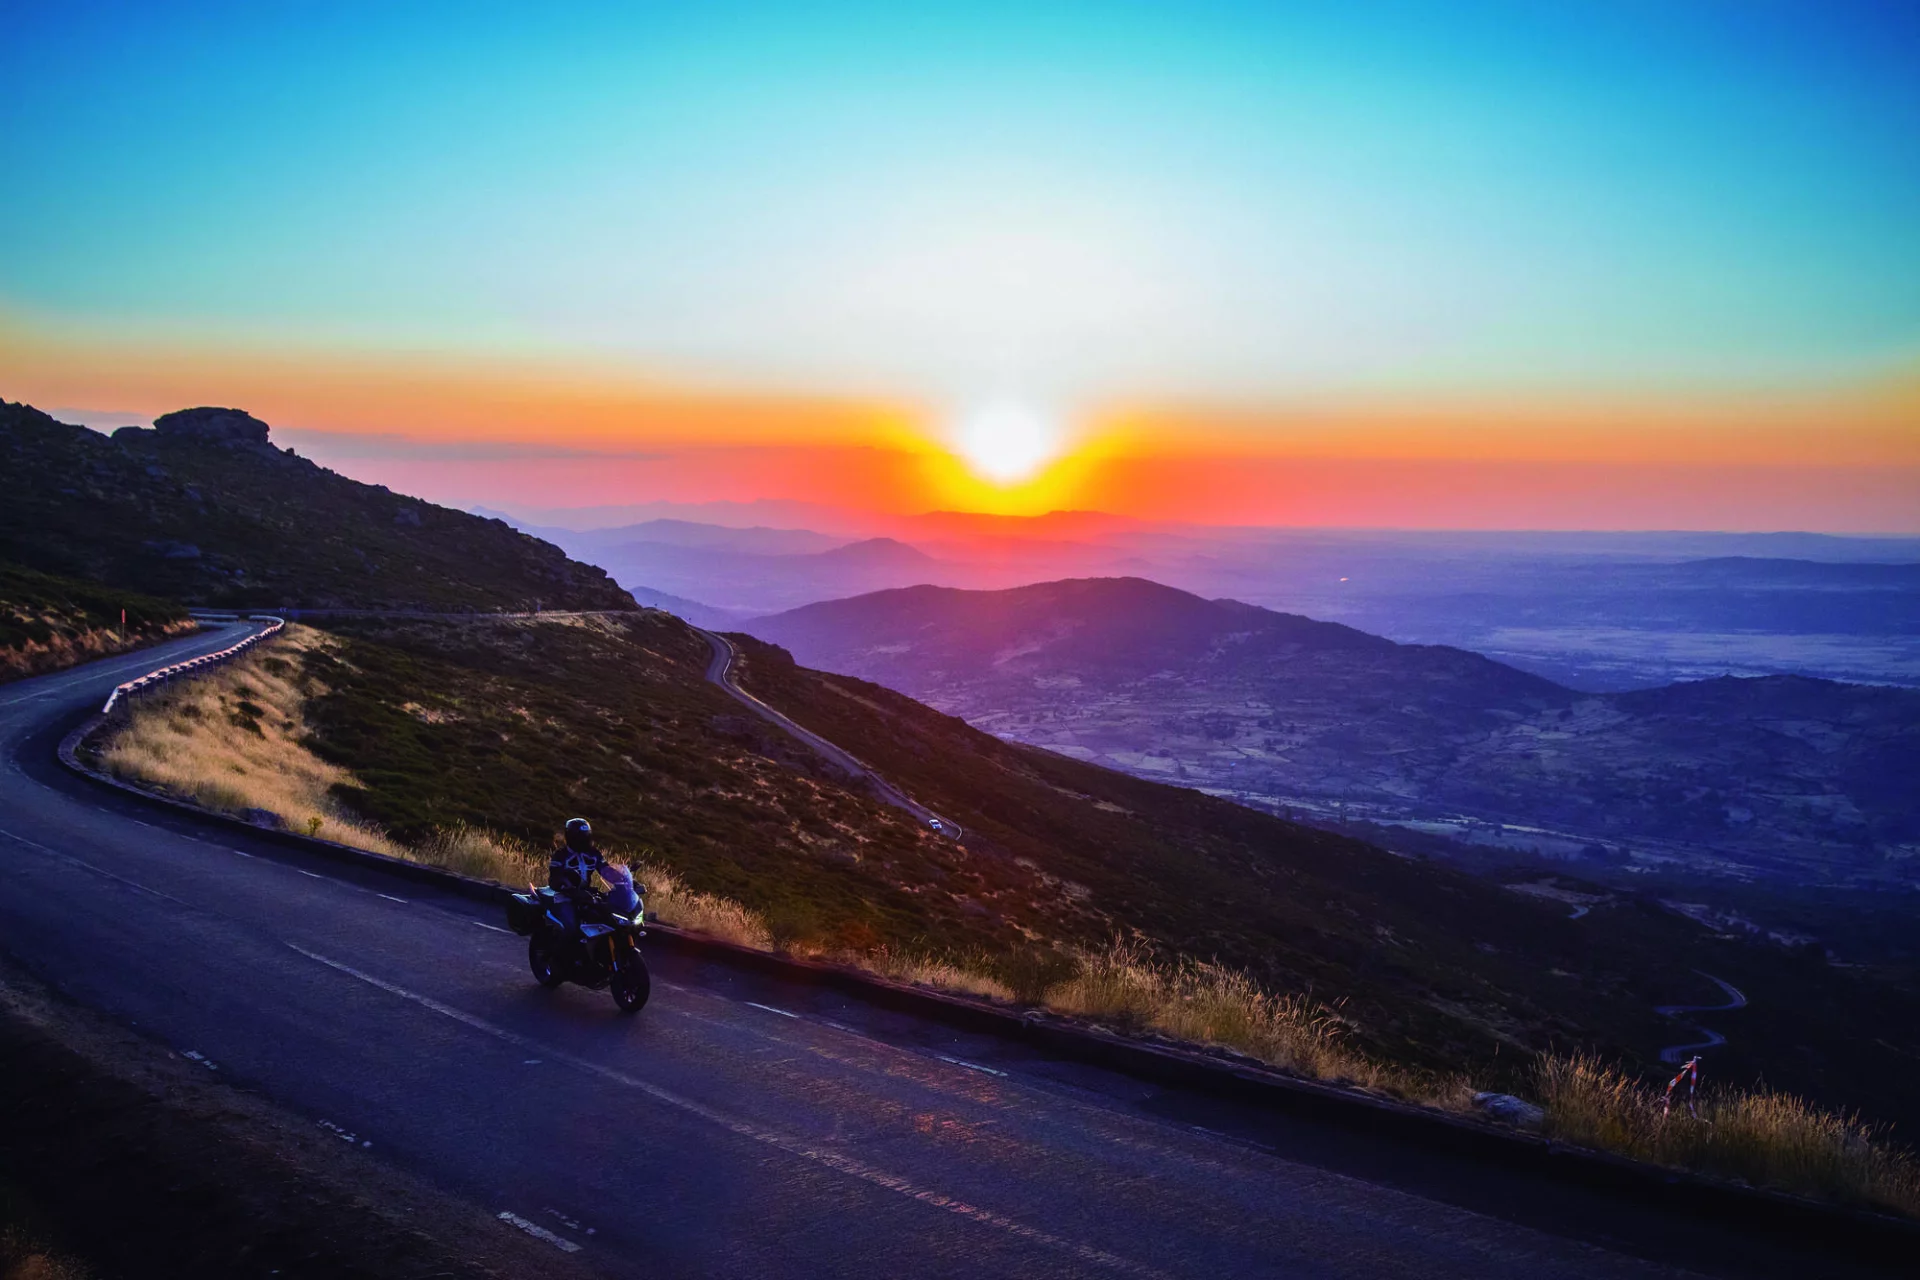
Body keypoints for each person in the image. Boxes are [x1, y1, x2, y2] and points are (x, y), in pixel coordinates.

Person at [549, 817, 621, 938]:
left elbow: (606, 871)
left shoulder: (593, 853)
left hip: (587, 895)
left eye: (586, 836)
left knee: (610, 919)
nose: (584, 840)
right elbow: (554, 878)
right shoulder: (560, 855)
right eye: (580, 837)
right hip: (565, 896)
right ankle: (562, 949)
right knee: (571, 927)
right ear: (571, 837)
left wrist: (626, 881)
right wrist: (568, 888)